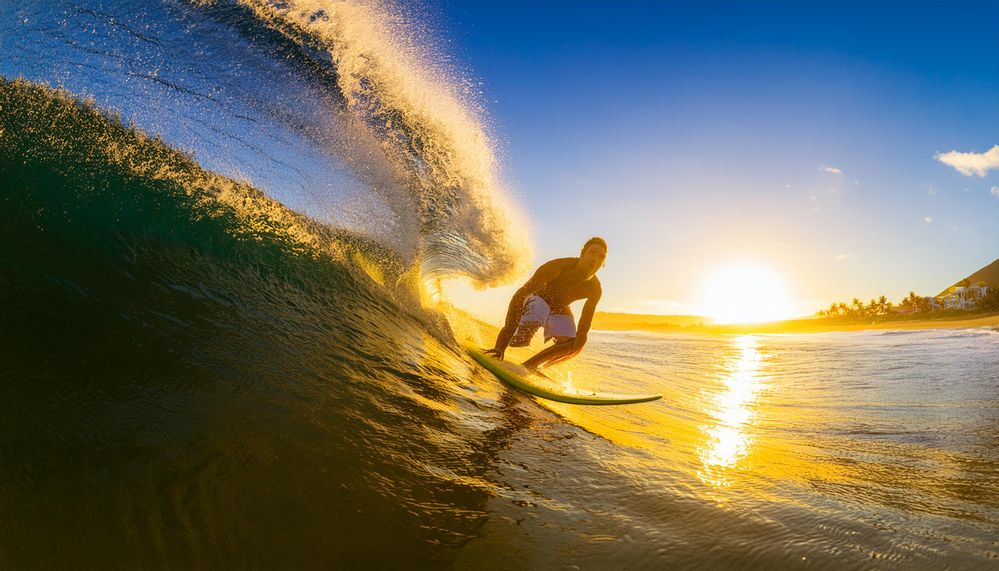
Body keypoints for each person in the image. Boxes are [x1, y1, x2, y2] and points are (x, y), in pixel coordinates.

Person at [485, 237, 607, 370]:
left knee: (574, 342)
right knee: (524, 334)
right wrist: (500, 347)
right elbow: (520, 295)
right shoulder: (558, 267)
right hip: (536, 297)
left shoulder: (595, 288)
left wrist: (578, 342)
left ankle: (528, 367)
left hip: (559, 307)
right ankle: (499, 351)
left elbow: (584, 325)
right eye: (592, 253)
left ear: (603, 262)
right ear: (582, 253)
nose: (595, 259)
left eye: (601, 256)